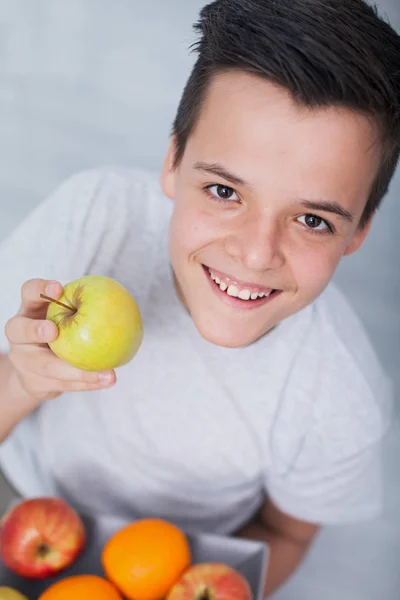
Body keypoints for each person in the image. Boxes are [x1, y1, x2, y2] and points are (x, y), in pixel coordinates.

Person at [0, 0, 399, 596]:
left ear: (359, 231)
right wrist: (24, 379)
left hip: (180, 566)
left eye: (313, 221)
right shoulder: (90, 225)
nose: (257, 253)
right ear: (172, 161)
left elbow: (284, 533)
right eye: (222, 190)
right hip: (20, 500)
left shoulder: (340, 399)